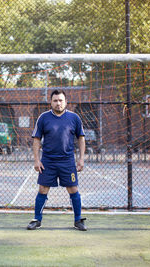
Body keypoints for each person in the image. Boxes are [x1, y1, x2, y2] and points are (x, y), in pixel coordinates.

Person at [27, 89, 87, 231]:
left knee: (73, 189)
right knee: (42, 189)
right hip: (48, 161)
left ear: (66, 102)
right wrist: (37, 160)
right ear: (51, 102)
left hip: (67, 161)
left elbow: (81, 138)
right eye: (55, 100)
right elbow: (36, 140)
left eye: (61, 100)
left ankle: (78, 220)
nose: (58, 103)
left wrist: (81, 159)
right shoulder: (43, 118)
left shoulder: (74, 118)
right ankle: (37, 220)